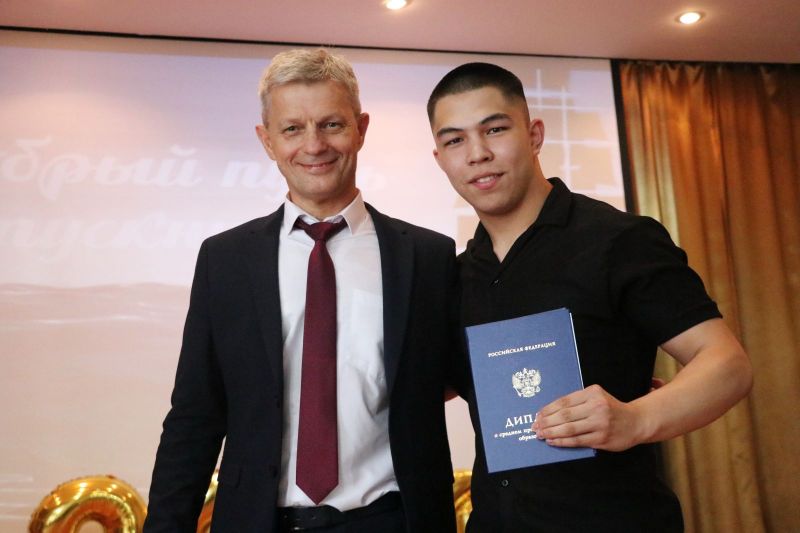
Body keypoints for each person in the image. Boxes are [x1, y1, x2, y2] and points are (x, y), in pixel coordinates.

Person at [427, 62, 753, 532]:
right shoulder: (456, 275)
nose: (478, 154)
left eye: (495, 129)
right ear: (440, 158)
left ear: (534, 135)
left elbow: (727, 364)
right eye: (455, 140)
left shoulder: (617, 240)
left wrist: (634, 419)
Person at [144, 49, 459, 533]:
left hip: (392, 521)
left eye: (331, 124)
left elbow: (471, 383)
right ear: (267, 141)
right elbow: (195, 416)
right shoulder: (225, 261)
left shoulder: (428, 257)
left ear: (361, 129)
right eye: (292, 129)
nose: (314, 145)